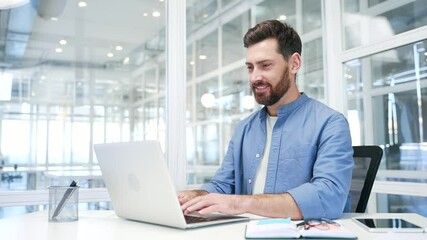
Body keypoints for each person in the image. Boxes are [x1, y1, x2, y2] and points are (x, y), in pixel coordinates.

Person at [179, 19, 353, 220]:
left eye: (265, 66)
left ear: (294, 64)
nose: (254, 77)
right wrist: (194, 197)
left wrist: (237, 204)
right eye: (250, 67)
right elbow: (222, 185)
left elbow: (328, 197)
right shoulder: (244, 128)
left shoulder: (330, 123)